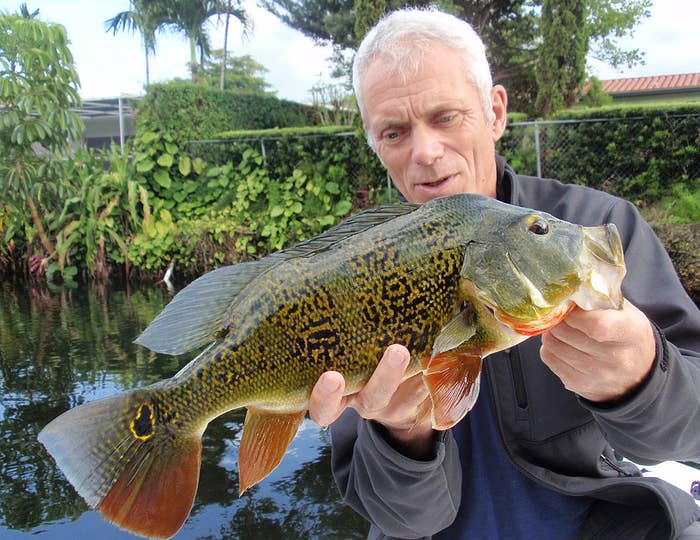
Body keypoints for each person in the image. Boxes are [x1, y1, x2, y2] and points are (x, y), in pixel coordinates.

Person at [306, 7, 700, 540]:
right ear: (376, 144)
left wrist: (644, 379)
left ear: (495, 112)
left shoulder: (597, 230)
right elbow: (405, 521)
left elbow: (689, 436)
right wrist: (402, 434)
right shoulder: (351, 277)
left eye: (446, 117)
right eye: (395, 132)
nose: (425, 152)